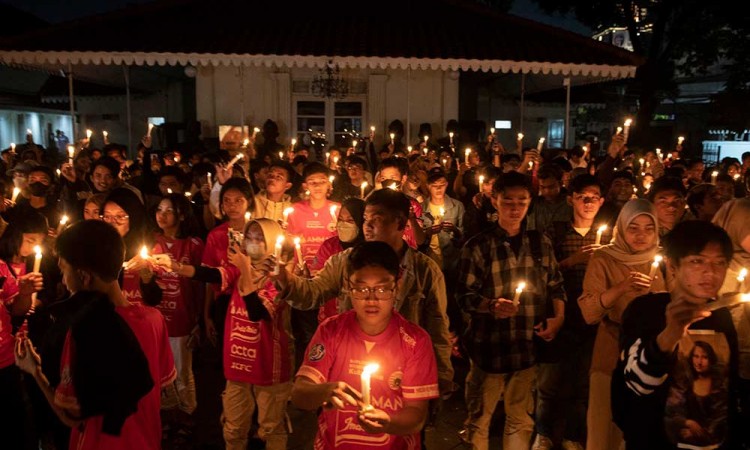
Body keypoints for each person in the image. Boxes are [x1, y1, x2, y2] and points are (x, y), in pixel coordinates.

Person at [276, 188, 454, 398]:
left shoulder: (425, 271)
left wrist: (441, 377)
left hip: (403, 374)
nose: (367, 226)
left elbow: (437, 328)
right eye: (365, 218)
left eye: (376, 219)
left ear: (399, 223)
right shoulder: (345, 262)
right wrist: (283, 278)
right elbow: (313, 292)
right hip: (352, 366)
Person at [15, 219, 175, 450]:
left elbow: (72, 417)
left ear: (84, 276)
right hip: (146, 441)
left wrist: (35, 371)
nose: (63, 280)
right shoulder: (154, 320)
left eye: (64, 270)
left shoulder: (84, 329)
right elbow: (161, 387)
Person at [158, 218, 292, 450]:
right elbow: (211, 274)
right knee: (233, 425)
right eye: (249, 237)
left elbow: (256, 312)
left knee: (271, 428)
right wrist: (176, 267)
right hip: (238, 363)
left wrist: (244, 269)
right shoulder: (238, 270)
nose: (252, 243)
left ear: (271, 242)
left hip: (268, 365)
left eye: (259, 238)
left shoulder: (279, 278)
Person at [291, 241, 439, 449]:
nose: (371, 299)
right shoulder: (331, 331)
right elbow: (299, 395)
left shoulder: (415, 341)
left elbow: (416, 415)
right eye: (361, 288)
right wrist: (324, 391)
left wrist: (388, 422)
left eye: (381, 288)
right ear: (348, 287)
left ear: (396, 287)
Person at [457, 171, 566, 450]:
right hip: (489, 349)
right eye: (508, 201)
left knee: (520, 417)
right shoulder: (479, 246)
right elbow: (464, 295)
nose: (515, 208)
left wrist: (558, 317)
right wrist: (491, 306)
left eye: (521, 201)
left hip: (526, 346)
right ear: (494, 201)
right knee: (479, 418)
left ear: (530, 203)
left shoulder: (540, 243)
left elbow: (556, 284)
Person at [612, 221, 745, 449]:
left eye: (720, 263)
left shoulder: (722, 316)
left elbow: (727, 386)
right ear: (672, 265)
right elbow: (637, 385)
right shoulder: (646, 310)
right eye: (697, 261)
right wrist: (671, 333)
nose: (710, 272)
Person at [577, 198, 665, 450]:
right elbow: (589, 312)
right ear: (621, 227)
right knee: (605, 424)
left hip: (650, 351)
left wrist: (654, 289)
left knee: (641, 426)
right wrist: (622, 288)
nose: (641, 235)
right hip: (612, 346)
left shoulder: (662, 260)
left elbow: (670, 303)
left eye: (649, 228)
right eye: (633, 227)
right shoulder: (604, 258)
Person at [533, 174, 609, 450]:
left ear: (601, 202)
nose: (588, 203)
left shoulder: (609, 236)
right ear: (570, 199)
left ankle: (573, 436)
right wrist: (573, 260)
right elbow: (543, 273)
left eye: (593, 198)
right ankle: (543, 433)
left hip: (593, 318)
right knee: (549, 381)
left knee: (583, 383)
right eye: (582, 197)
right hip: (560, 312)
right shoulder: (555, 232)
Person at [150, 193, 205, 440]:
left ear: (181, 215)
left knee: (182, 371)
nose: (162, 215)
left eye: (168, 210)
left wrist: (200, 321)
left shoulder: (193, 245)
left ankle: (187, 414)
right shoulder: (151, 241)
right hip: (156, 319)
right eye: (159, 210)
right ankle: (165, 416)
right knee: (158, 371)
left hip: (183, 319)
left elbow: (201, 284)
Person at [311, 197, 366, 322]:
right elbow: (317, 277)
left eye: (350, 220)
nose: (343, 224)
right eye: (340, 219)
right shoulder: (329, 245)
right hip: (331, 316)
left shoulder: (370, 248)